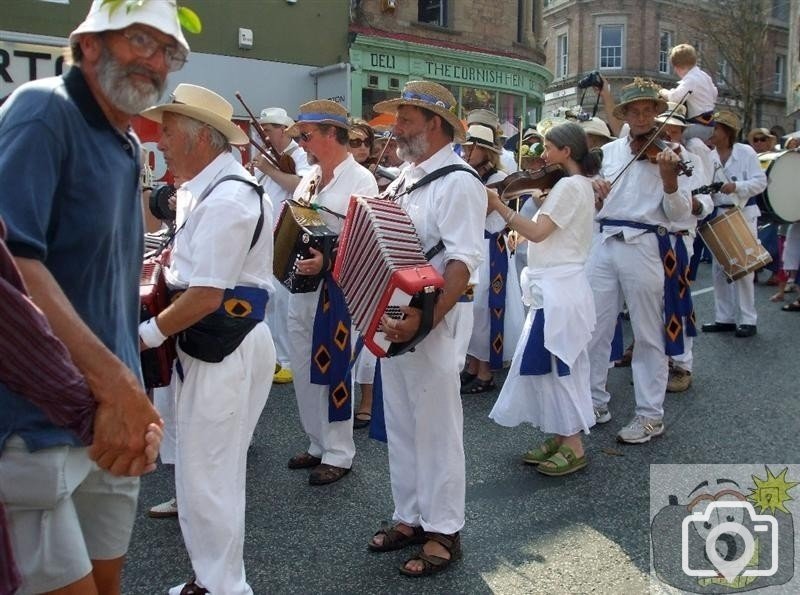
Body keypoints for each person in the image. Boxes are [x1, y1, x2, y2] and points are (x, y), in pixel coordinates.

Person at [0, 1, 182, 592]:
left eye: (166, 51)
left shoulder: (125, 143)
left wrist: (131, 396)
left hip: (111, 416)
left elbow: (107, 280)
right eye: (138, 40)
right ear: (89, 44)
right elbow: (14, 263)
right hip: (38, 418)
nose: (153, 61)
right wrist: (120, 386)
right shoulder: (42, 110)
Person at [138, 83, 275, 595]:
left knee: (211, 477)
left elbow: (206, 297)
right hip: (211, 346)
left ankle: (222, 587)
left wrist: (146, 334)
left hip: (225, 346)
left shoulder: (230, 198)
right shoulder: (204, 188)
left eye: (169, 131)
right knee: (203, 474)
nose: (161, 140)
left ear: (202, 138)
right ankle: (211, 580)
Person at [366, 80, 486, 577]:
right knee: (402, 421)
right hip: (398, 316)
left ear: (436, 125)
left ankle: (444, 531)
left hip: (432, 318)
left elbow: (462, 261)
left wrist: (423, 321)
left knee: (436, 428)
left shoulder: (458, 181)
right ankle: (409, 517)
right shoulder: (404, 179)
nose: (397, 128)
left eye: (407, 119)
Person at [585, 78, 694, 444]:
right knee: (595, 328)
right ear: (626, 114)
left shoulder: (675, 155)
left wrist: (669, 181)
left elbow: (679, 216)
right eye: (636, 110)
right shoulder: (610, 152)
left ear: (657, 113)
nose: (643, 116)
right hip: (604, 242)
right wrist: (594, 190)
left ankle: (650, 415)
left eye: (649, 109)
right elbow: (591, 204)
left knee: (649, 334)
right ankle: (594, 401)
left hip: (646, 244)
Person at [488, 121, 599, 475]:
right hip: (555, 288)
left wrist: (500, 207)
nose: (543, 156)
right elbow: (549, 235)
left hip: (558, 291)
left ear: (566, 151)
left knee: (559, 367)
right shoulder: (571, 186)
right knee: (550, 366)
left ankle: (574, 443)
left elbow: (537, 232)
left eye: (549, 148)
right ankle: (561, 434)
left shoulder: (569, 186)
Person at [285, 100, 378, 484]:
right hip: (301, 286)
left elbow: (368, 238)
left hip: (336, 290)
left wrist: (327, 262)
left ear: (331, 134)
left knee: (335, 367)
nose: (303, 144)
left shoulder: (362, 180)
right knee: (304, 368)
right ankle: (317, 442)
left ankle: (340, 453)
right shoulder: (308, 177)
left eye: (307, 136)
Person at [655, 104, 714, 393]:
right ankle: (660, 360)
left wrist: (695, 203)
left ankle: (682, 364)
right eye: (664, 128)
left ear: (682, 132)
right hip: (649, 239)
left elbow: (707, 202)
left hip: (678, 238)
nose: (669, 134)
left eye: (675, 129)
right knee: (653, 303)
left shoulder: (691, 159)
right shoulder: (647, 156)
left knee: (676, 300)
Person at [460, 121, 523, 394]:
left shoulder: (499, 178)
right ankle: (472, 364)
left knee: (485, 308)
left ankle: (485, 371)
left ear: (485, 151)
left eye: (470, 148)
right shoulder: (469, 174)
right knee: (472, 309)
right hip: (475, 246)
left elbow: (481, 211)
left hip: (490, 248)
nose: (465, 152)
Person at [251, 106, 311, 386]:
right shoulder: (266, 157)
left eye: (269, 128)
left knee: (285, 301)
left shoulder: (299, 156)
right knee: (271, 301)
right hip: (266, 239)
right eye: (262, 129)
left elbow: (300, 185)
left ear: (284, 130)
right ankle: (274, 356)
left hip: (288, 236)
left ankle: (288, 359)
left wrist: (268, 170)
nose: (264, 134)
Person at [702, 110, 767, 338]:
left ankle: (748, 319)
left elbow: (760, 182)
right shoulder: (709, 157)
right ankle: (725, 318)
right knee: (719, 269)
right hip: (718, 214)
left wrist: (736, 188)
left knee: (744, 267)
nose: (712, 132)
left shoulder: (746, 152)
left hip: (743, 213)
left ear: (727, 132)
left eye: (716, 128)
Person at [658, 43, 718, 140]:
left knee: (668, 136)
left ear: (678, 67)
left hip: (698, 127)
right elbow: (715, 94)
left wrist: (662, 91)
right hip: (711, 126)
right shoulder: (704, 75)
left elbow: (674, 98)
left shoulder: (690, 79)